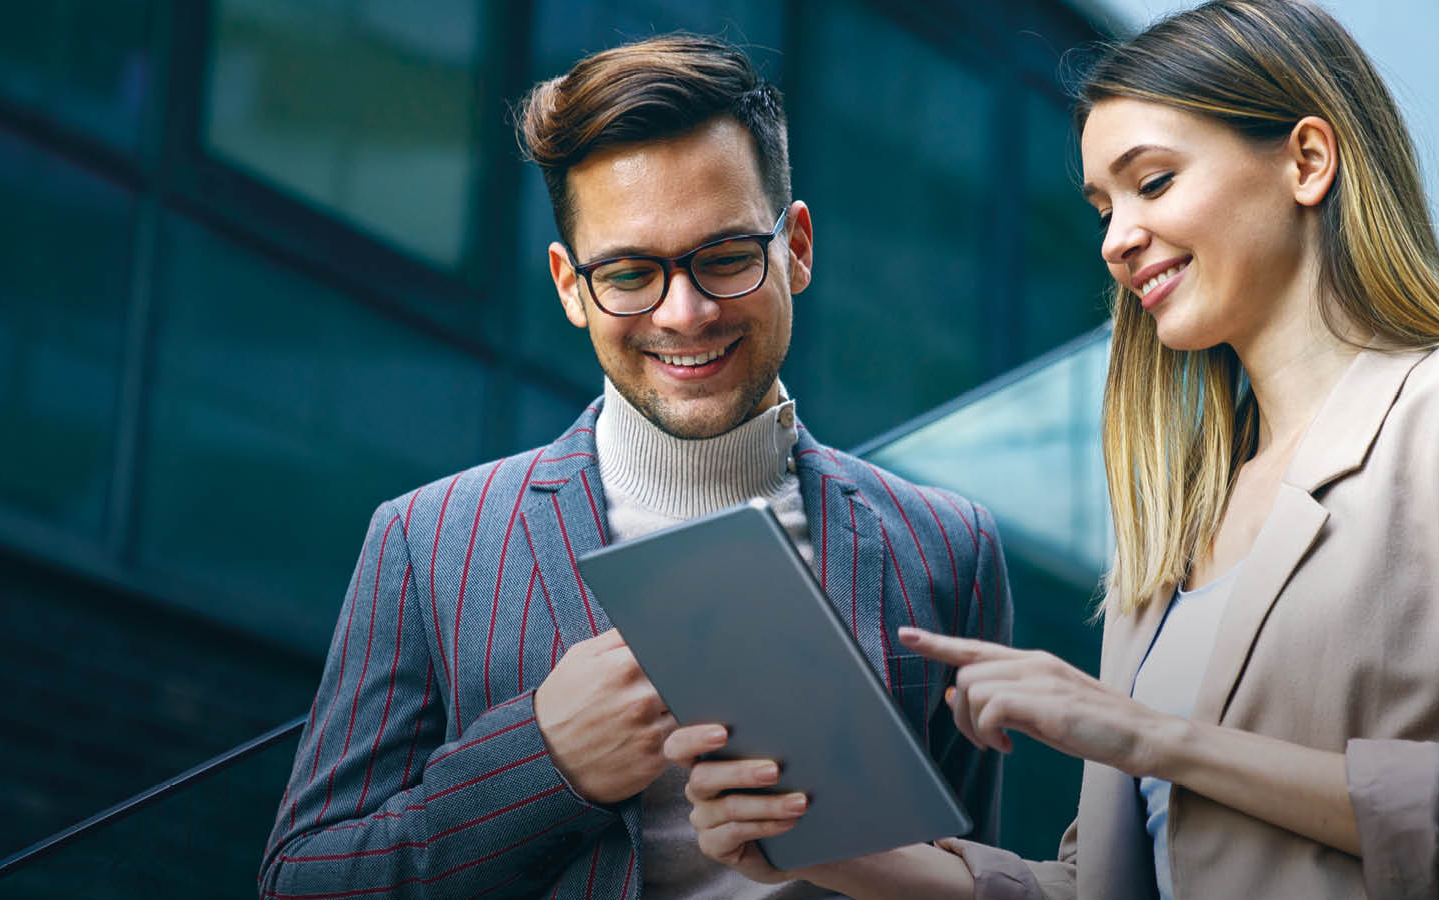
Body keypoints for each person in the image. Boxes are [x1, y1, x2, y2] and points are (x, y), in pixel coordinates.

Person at [664, 1, 1439, 897]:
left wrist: (1145, 736)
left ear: (1307, 160)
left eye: (1153, 182)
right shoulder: (1175, 523)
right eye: (1100, 209)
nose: (1118, 240)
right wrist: (833, 847)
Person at [257, 34, 1010, 900]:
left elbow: (975, 878)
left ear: (796, 246)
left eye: (726, 258)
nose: (684, 313)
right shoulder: (428, 544)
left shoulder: (949, 549)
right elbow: (299, 882)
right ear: (571, 287)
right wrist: (545, 764)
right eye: (628, 272)